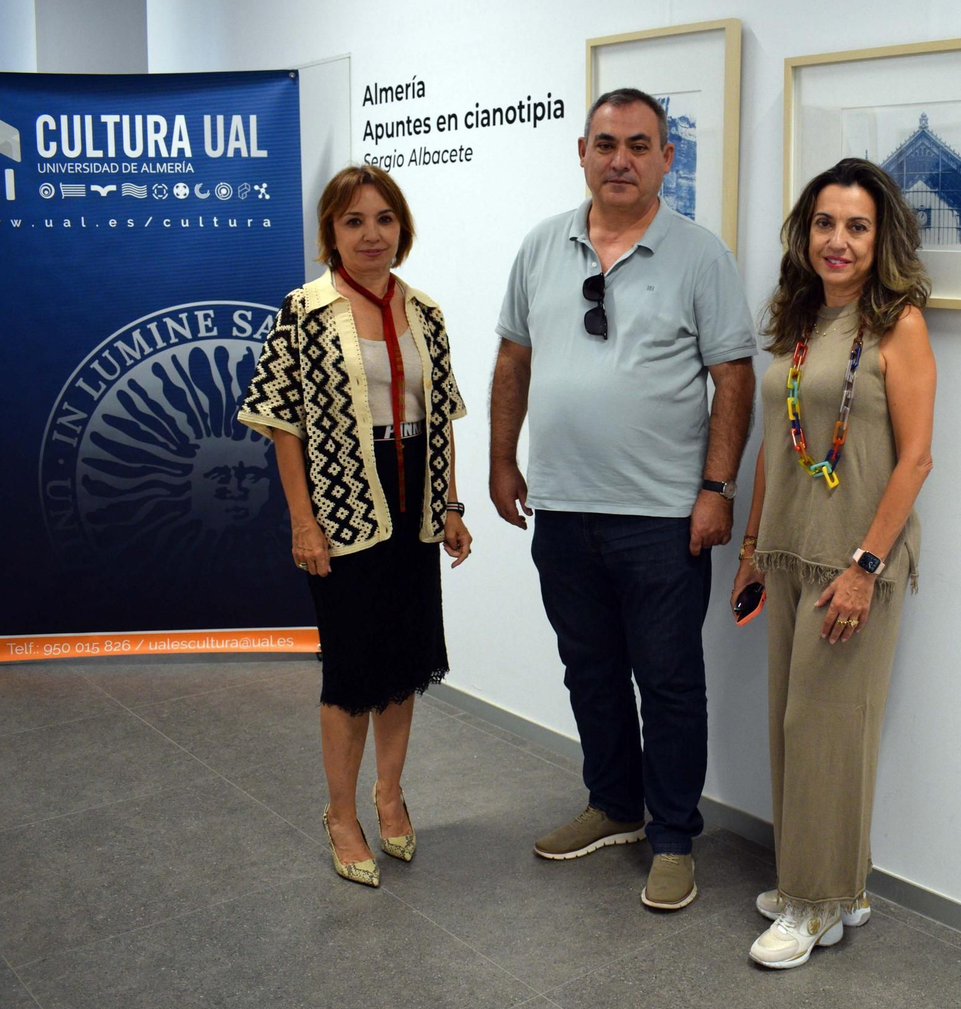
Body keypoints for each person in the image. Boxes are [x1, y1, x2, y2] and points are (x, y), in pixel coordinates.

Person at [490, 89, 757, 910]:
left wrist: (715, 490)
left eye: (640, 146)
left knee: (670, 679)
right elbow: (513, 362)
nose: (621, 160)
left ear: (666, 159)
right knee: (590, 671)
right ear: (581, 151)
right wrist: (501, 460)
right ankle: (614, 805)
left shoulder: (700, 256)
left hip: (664, 517)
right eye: (606, 143)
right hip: (564, 509)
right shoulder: (542, 246)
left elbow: (734, 379)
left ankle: (673, 835)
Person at [238, 165, 472, 887]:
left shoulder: (423, 311)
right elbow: (282, 426)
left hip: (413, 504)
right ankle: (342, 813)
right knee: (350, 671)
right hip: (344, 504)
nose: (371, 234)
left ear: (401, 228)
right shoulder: (304, 311)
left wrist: (452, 506)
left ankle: (390, 795)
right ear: (331, 233)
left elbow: (441, 418)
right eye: (353, 221)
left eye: (383, 219)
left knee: (403, 662)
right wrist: (303, 523)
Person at [731, 158, 936, 967]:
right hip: (789, 551)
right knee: (794, 725)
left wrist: (864, 566)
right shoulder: (799, 318)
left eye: (856, 226)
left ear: (880, 236)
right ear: (805, 232)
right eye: (824, 223)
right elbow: (769, 448)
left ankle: (812, 906)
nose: (838, 241)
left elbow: (915, 460)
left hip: (854, 561)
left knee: (826, 730)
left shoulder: (901, 325)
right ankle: (831, 888)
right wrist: (752, 548)